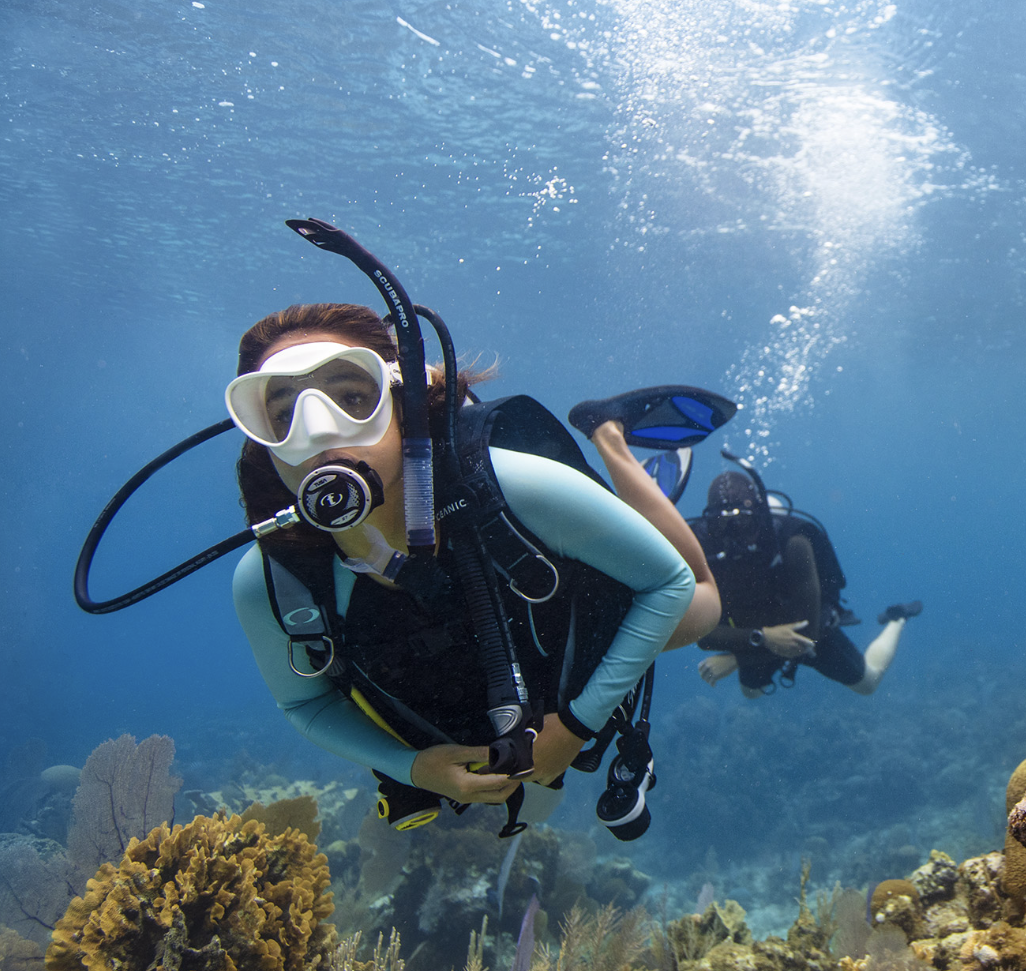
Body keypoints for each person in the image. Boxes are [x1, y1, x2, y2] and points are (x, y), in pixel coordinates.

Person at [228, 301, 733, 838]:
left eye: (354, 398)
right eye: (283, 415)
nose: (318, 432)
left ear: (405, 407)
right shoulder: (271, 581)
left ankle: (610, 439)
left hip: (578, 621)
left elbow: (668, 583)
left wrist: (576, 724)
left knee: (703, 603)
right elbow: (305, 702)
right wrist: (414, 768)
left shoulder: (515, 485)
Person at [689, 466, 921, 696]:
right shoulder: (701, 549)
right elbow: (701, 634)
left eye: (741, 522)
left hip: (808, 626)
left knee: (868, 683)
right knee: (751, 692)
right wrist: (763, 638)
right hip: (757, 636)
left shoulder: (793, 542)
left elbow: (808, 632)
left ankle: (897, 618)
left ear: (759, 515)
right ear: (708, 521)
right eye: (721, 523)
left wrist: (738, 658)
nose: (733, 534)